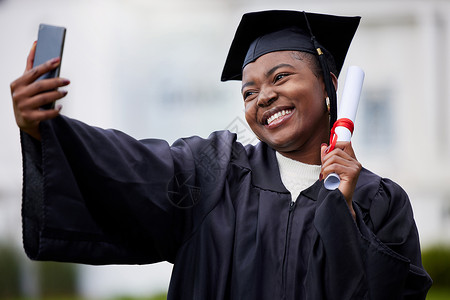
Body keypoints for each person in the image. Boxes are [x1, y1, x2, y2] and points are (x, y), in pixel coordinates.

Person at [10, 10, 432, 299]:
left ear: (329, 86)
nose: (264, 97)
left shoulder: (381, 200)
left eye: (281, 77)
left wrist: (343, 212)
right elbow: (131, 167)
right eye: (249, 92)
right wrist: (47, 131)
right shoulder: (211, 173)